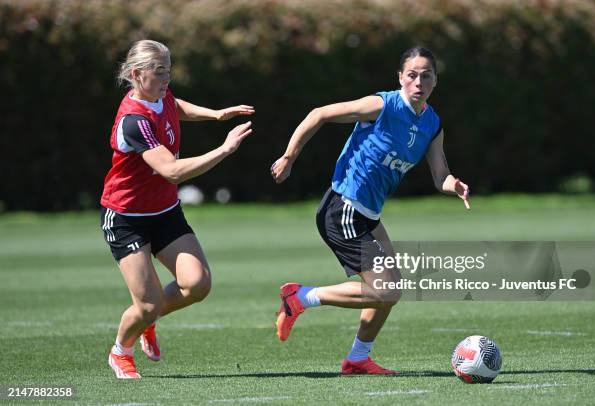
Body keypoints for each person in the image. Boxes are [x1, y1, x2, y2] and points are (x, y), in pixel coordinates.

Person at [270, 47, 470, 375]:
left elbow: (440, 174)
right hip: (343, 208)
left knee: (391, 292)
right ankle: (299, 298)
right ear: (400, 78)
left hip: (368, 215)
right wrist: (289, 157)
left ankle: (358, 359)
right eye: (412, 74)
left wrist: (454, 185)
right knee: (386, 289)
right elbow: (319, 113)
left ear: (435, 80)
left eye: (427, 75)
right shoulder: (383, 105)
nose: (419, 81)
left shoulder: (432, 123)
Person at [100, 39, 254, 379]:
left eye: (169, 70)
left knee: (197, 284)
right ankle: (121, 351)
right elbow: (171, 170)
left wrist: (214, 114)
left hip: (165, 211)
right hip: (127, 219)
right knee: (149, 304)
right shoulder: (133, 121)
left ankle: (147, 322)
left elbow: (174, 104)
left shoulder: (160, 95)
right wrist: (225, 149)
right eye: (159, 72)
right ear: (138, 75)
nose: (167, 78)